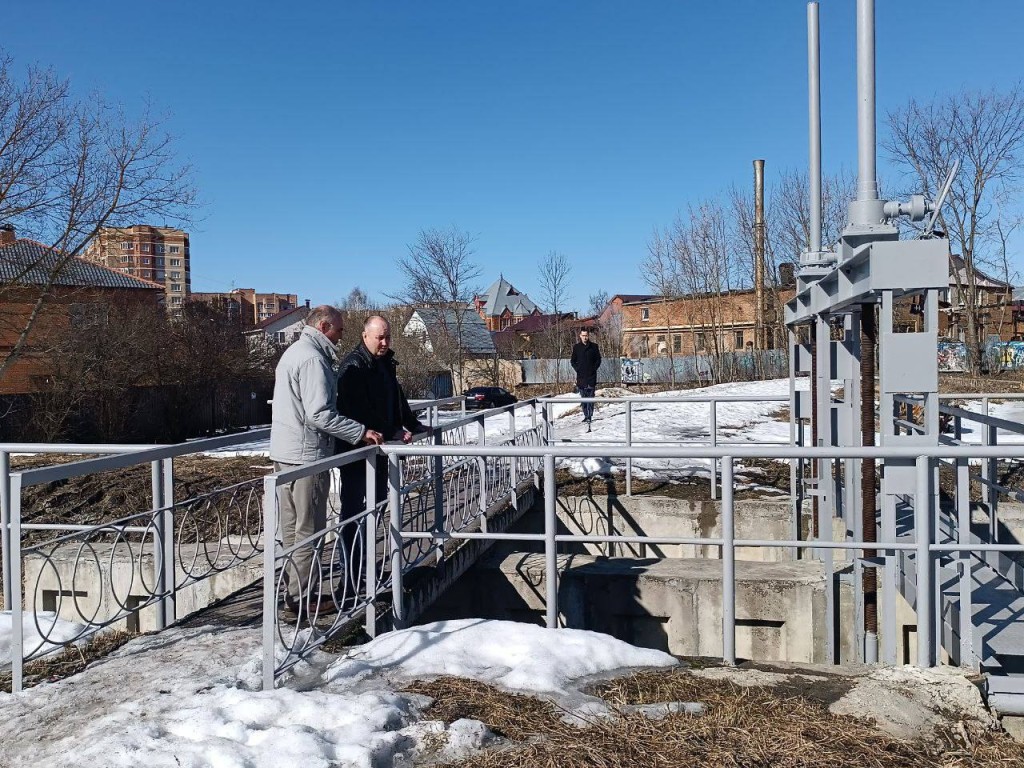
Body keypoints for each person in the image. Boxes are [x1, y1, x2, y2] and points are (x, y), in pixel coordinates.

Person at [269, 305, 383, 617]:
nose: (342, 335)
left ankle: (294, 596)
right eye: (340, 329)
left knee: (292, 530)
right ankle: (305, 600)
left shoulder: (294, 351)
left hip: (285, 453)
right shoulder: (313, 358)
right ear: (324, 326)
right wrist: (359, 431)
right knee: (309, 531)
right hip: (305, 456)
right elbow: (318, 413)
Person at [337, 314, 429, 525]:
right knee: (353, 508)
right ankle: (352, 557)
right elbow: (359, 410)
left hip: (379, 447)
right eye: (380, 337)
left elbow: (397, 397)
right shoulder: (353, 366)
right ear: (365, 336)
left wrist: (413, 424)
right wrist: (391, 431)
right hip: (356, 449)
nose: (385, 343)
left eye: (388, 337)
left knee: (379, 501)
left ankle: (366, 552)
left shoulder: (384, 363)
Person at [570, 328, 601, 432]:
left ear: (588, 336)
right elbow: (573, 361)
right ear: (580, 336)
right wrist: (577, 369)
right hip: (581, 377)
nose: (585, 337)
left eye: (586, 335)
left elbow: (598, 359)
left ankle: (590, 416)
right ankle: (585, 415)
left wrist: (594, 368)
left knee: (590, 398)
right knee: (583, 398)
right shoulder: (577, 347)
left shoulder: (594, 347)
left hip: (591, 376)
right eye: (583, 335)